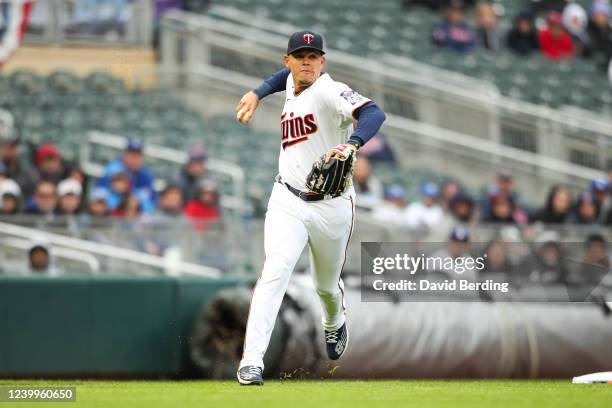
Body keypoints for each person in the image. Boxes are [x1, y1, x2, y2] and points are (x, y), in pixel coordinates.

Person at [233, 30, 385, 385]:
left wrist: (352, 144)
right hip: (287, 198)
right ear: (288, 61)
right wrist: (257, 93)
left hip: (331, 206)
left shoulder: (330, 90)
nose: (307, 61)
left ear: (322, 61)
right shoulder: (289, 81)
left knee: (326, 286)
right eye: (300, 55)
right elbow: (278, 80)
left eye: (313, 56)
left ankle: (333, 321)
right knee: (275, 271)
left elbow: (374, 113)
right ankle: (252, 361)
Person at [96, 138, 156, 213]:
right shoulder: (113, 169)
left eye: (137, 155)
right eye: (131, 154)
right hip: (110, 215)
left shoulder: (146, 175)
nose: (134, 159)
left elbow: (150, 206)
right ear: (124, 154)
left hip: (134, 219)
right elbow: (99, 195)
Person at [586, 1, 612, 69]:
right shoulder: (588, 29)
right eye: (598, 14)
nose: (601, 18)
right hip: (591, 62)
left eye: (603, 15)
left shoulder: (608, 30)